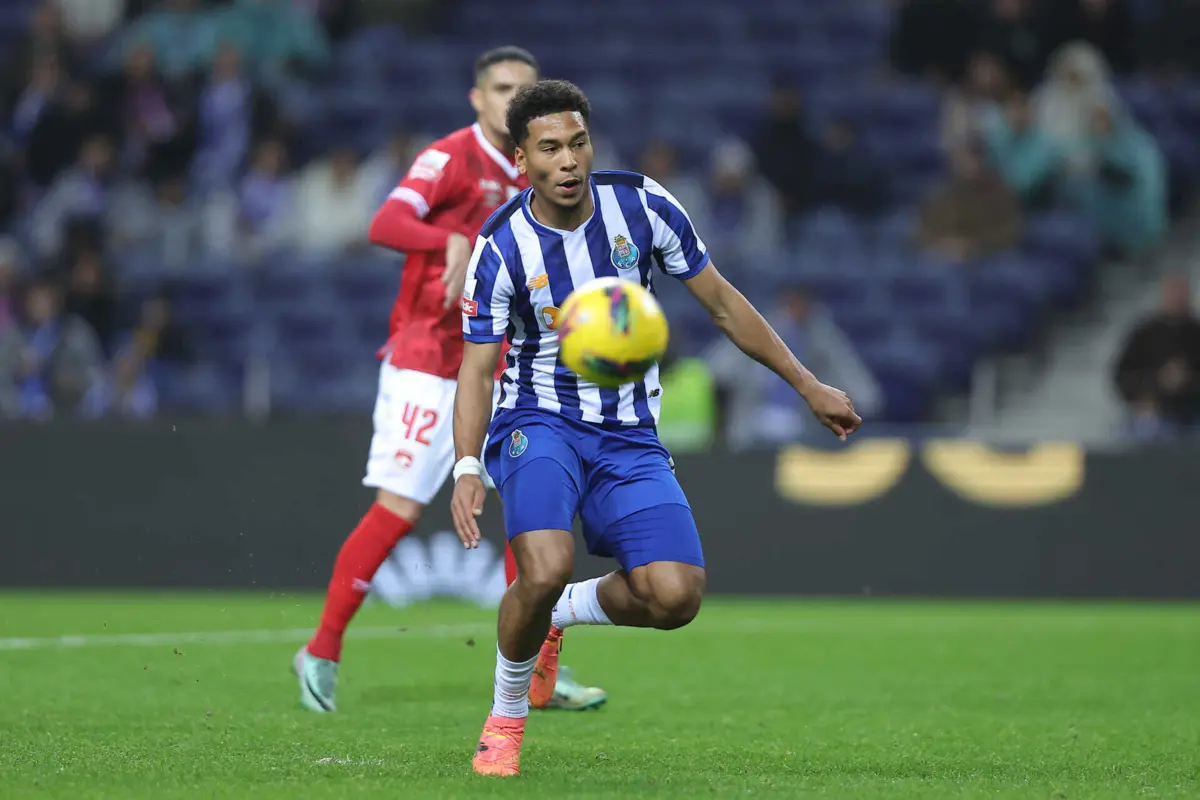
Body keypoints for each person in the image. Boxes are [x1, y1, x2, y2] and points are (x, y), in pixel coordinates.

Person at [451, 80, 862, 777]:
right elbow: (476, 369)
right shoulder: (500, 248)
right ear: (521, 160)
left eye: (578, 142)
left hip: (629, 433)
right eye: (549, 148)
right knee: (543, 565)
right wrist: (466, 467)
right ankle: (506, 717)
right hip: (537, 421)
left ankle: (558, 614)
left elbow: (725, 305)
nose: (569, 160)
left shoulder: (642, 206)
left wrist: (807, 383)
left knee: (675, 598)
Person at [295, 48, 607, 715]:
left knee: (533, 521)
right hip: (429, 362)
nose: (511, 99)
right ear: (477, 97)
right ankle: (321, 649)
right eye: (500, 88)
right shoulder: (451, 158)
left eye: (523, 89)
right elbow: (384, 222)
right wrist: (447, 242)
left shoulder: (540, 166)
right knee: (399, 509)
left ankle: (540, 678)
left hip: (508, 364)